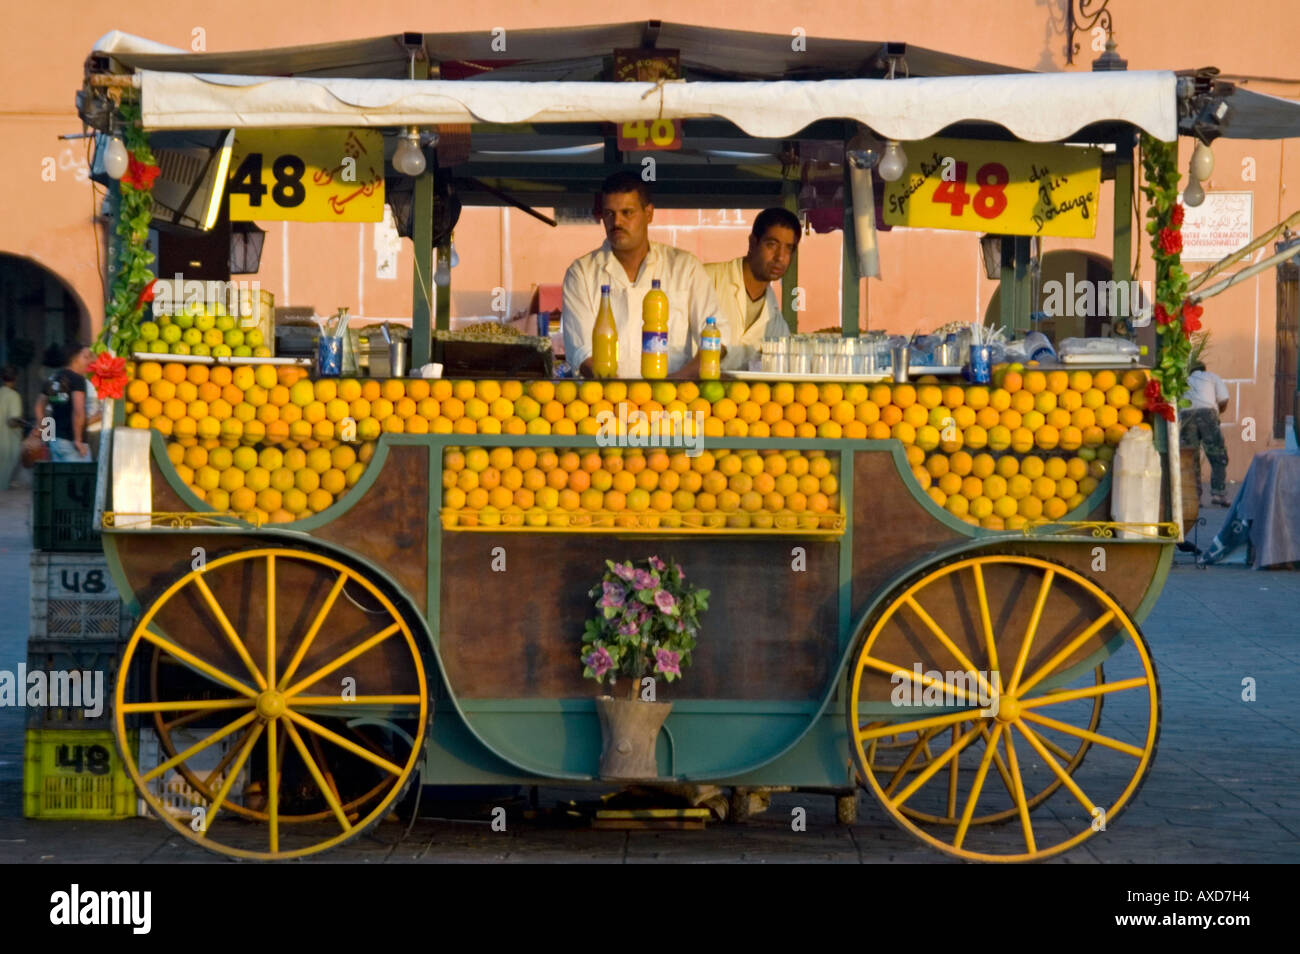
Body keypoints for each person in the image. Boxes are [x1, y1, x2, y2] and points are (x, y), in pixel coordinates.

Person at [562, 172, 724, 379]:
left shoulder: (685, 267)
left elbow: (717, 338)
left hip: (674, 402)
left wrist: (673, 383)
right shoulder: (582, 273)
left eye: (627, 212)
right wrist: (621, 392)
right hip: (604, 402)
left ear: (649, 214)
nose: (617, 222)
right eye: (609, 214)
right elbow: (581, 351)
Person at [704, 208, 799, 371]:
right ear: (753, 243)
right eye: (772, 245)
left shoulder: (775, 320)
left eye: (788, 248)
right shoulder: (706, 279)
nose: (780, 257)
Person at [31, 342, 93, 462]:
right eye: (85, 357)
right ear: (74, 358)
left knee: (61, 478)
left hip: (56, 442)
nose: (89, 361)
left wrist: (44, 429)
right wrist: (78, 440)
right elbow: (78, 411)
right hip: (72, 444)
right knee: (81, 479)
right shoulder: (77, 379)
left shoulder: (54, 378)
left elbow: (39, 406)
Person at [1181, 360, 1230, 506]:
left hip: (1186, 416)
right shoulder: (1212, 377)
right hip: (1208, 415)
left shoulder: (1184, 381)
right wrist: (1218, 413)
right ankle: (1218, 494)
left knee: (1191, 457)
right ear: (1204, 369)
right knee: (1218, 455)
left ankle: (1195, 497)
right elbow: (1224, 399)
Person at [0, 366, 23, 489]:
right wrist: (24, 423)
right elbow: (12, 421)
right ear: (15, 378)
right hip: (7, 446)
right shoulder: (13, 396)